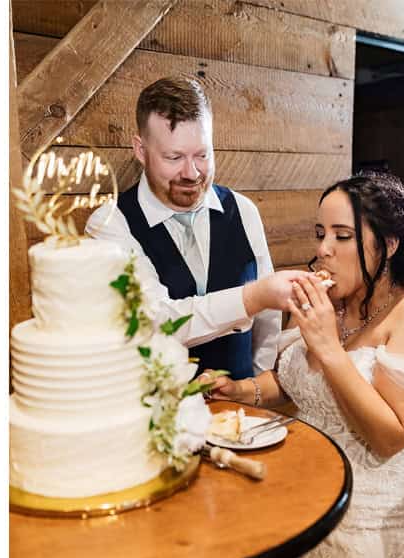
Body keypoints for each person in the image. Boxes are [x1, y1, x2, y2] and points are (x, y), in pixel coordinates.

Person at [157, 172, 404, 558]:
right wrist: (244, 390)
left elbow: (390, 434)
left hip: (379, 513)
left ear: (387, 244)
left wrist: (327, 346)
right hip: (313, 501)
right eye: (320, 234)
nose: (324, 250)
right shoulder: (333, 304)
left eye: (342, 236)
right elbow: (295, 383)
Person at [86, 75, 318, 381]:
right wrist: (251, 297)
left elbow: (268, 320)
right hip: (155, 417)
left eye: (203, 154)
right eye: (174, 157)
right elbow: (155, 321)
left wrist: (257, 386)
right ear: (140, 150)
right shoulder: (110, 225)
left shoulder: (243, 210)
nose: (191, 172)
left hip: (241, 413)